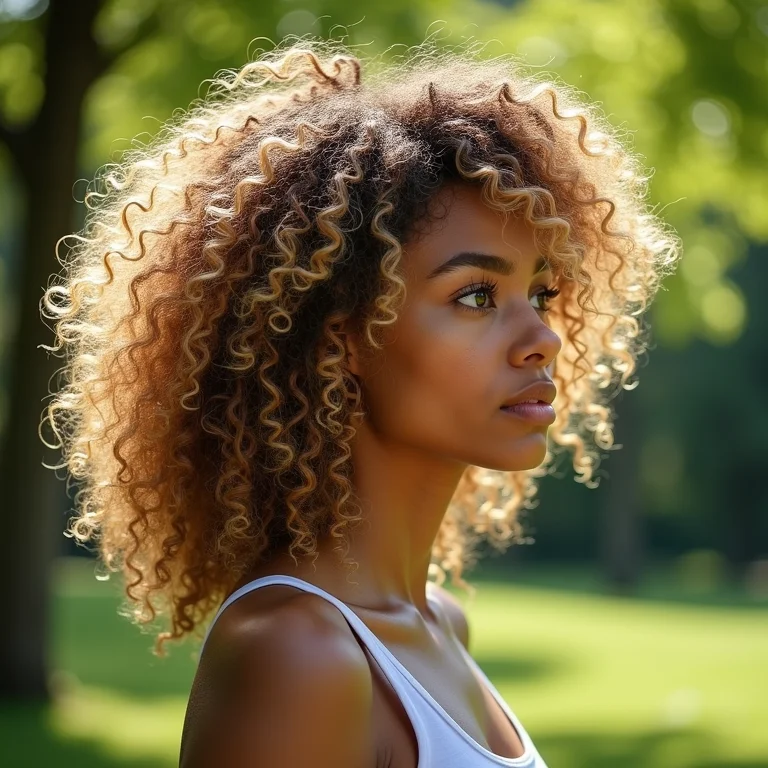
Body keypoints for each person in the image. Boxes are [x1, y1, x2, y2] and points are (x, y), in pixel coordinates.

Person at [41, 37, 681, 768]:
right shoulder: (297, 652)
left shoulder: (440, 624)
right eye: (476, 295)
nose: (542, 338)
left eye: (540, 292)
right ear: (341, 337)